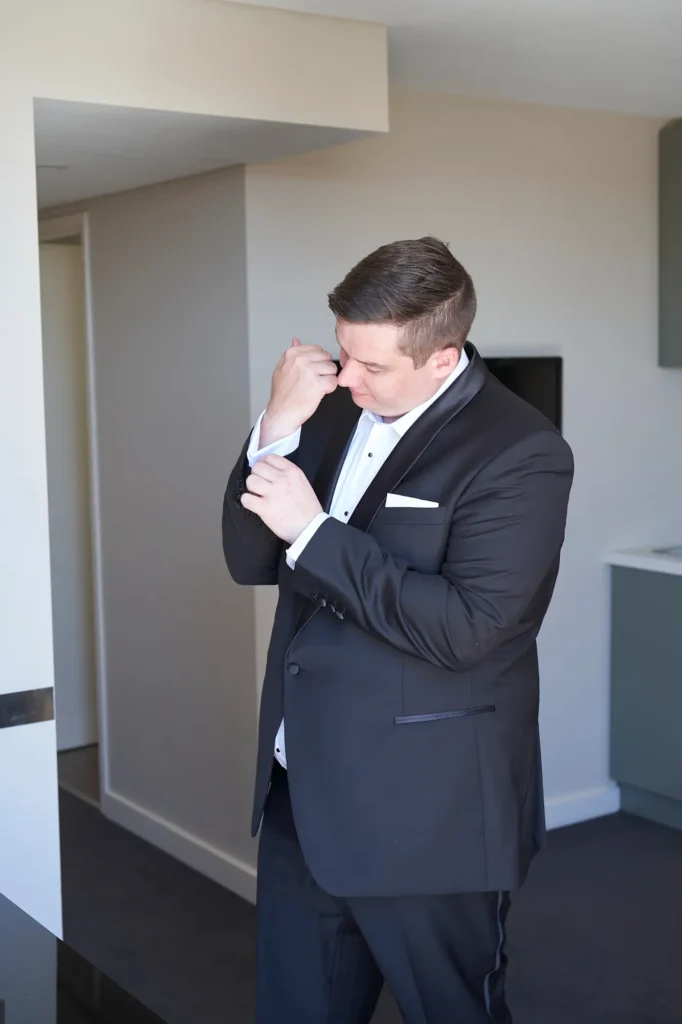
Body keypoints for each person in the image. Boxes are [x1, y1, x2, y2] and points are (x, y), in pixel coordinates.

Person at [222, 236, 574, 1023]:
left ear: (443, 359)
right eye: (343, 353)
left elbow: (468, 629)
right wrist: (278, 421)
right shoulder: (334, 406)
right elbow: (250, 556)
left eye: (371, 365)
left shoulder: (522, 453)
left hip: (427, 815)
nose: (346, 377)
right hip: (302, 796)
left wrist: (314, 535)